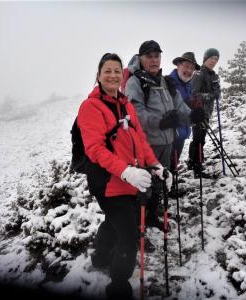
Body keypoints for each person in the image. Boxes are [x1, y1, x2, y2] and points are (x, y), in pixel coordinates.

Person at [77, 53, 172, 299]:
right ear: (98, 75)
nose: (113, 75)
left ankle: (99, 257)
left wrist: (155, 165)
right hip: (108, 183)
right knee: (129, 237)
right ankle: (118, 288)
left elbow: (140, 139)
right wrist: (126, 171)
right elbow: (95, 149)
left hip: (131, 180)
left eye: (117, 71)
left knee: (114, 221)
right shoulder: (91, 107)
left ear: (122, 75)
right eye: (107, 70)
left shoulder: (126, 104)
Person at [125, 41, 205, 230]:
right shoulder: (135, 82)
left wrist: (191, 116)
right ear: (141, 58)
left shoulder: (166, 82)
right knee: (144, 188)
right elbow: (135, 113)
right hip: (147, 146)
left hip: (167, 143)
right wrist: (160, 122)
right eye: (149, 56)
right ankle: (138, 227)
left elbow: (179, 107)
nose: (154, 60)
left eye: (157, 56)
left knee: (159, 183)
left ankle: (152, 217)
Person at [188, 48, 221, 178]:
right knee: (199, 139)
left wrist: (217, 91)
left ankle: (193, 161)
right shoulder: (199, 74)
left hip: (206, 112)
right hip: (198, 111)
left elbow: (216, 93)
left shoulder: (213, 75)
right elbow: (193, 93)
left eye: (216, 59)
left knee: (200, 138)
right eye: (211, 58)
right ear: (205, 59)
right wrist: (211, 95)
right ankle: (197, 165)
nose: (213, 61)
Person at [168, 52, 200, 172]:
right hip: (170, 132)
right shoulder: (169, 82)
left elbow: (189, 103)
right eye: (186, 66)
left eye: (192, 68)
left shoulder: (189, 85)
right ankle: (166, 188)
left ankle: (172, 185)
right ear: (178, 65)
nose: (189, 70)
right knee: (167, 164)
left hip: (182, 130)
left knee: (174, 161)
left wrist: (195, 107)